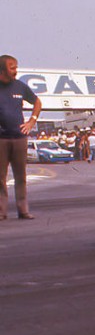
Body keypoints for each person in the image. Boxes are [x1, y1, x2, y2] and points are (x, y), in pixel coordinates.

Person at [0, 55, 42, 220]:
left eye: (16, 67)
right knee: (0, 178)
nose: (15, 71)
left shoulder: (20, 86)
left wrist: (32, 121)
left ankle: (23, 210)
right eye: (12, 68)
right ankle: (1, 212)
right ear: (2, 70)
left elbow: (37, 102)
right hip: (1, 140)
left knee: (21, 176)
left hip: (19, 138)